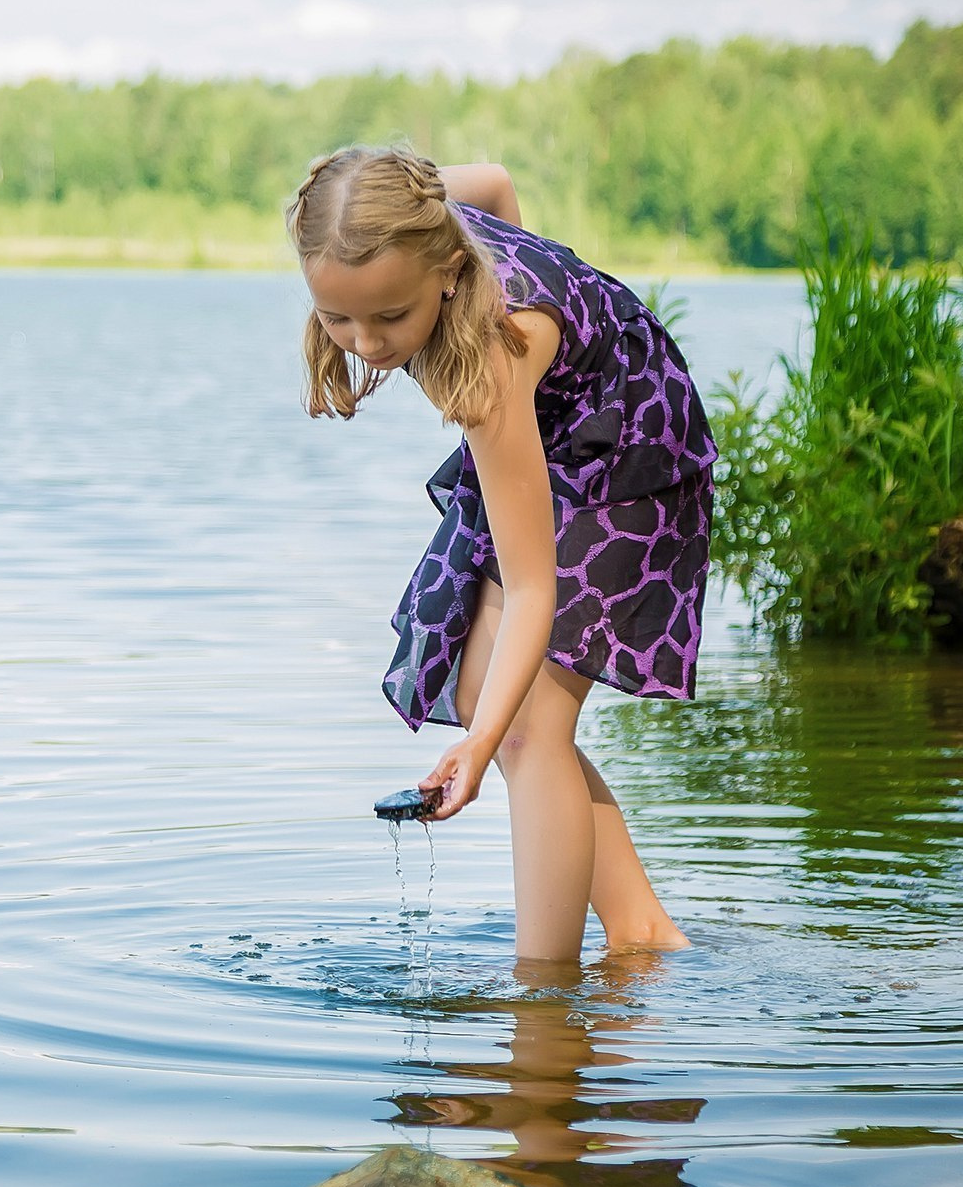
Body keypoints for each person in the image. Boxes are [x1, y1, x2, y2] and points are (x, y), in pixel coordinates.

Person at [292, 146, 712, 962]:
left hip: (633, 447)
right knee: (486, 692)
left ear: (451, 273)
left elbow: (532, 593)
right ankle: (643, 929)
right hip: (557, 421)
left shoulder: (491, 357)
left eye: (391, 316)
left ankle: (543, 996)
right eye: (338, 318)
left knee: (526, 731)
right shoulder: (407, 210)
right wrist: (546, 371)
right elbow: (493, 181)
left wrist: (480, 748)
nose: (366, 343)